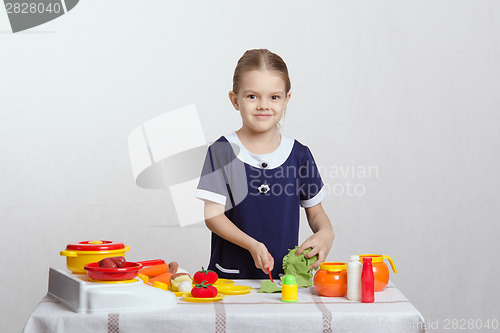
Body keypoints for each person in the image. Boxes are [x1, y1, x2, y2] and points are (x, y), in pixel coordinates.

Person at [196, 49, 334, 279]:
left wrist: (326, 233)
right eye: (252, 96)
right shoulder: (221, 152)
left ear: (286, 99)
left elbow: (316, 211)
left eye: (274, 97)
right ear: (234, 99)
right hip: (231, 281)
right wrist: (251, 244)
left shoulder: (299, 155)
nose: (263, 105)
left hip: (283, 282)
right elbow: (213, 216)